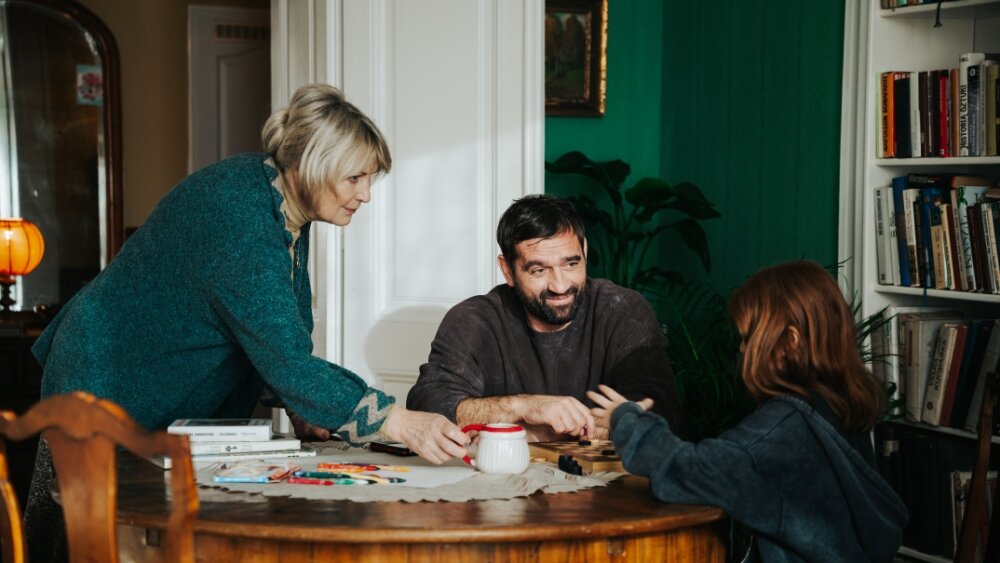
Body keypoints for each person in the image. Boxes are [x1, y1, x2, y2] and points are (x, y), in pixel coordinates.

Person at [24, 83, 468, 563]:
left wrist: (301, 406)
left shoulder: (285, 210)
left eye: (369, 179)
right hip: (105, 379)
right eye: (355, 178)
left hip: (160, 386)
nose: (365, 195)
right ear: (313, 164)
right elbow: (285, 357)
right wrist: (398, 421)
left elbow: (277, 334)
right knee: (79, 535)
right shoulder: (240, 215)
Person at [588, 260, 908, 562]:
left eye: (747, 337)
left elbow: (688, 473)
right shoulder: (839, 404)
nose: (741, 349)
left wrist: (625, 417)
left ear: (790, 341)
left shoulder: (785, 426)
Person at [406, 194, 680, 441]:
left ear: (585, 252)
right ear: (508, 270)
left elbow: (658, 414)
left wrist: (530, 431)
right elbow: (428, 406)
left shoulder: (623, 309)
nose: (560, 286)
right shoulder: (474, 319)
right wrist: (524, 406)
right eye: (538, 271)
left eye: (571, 264)